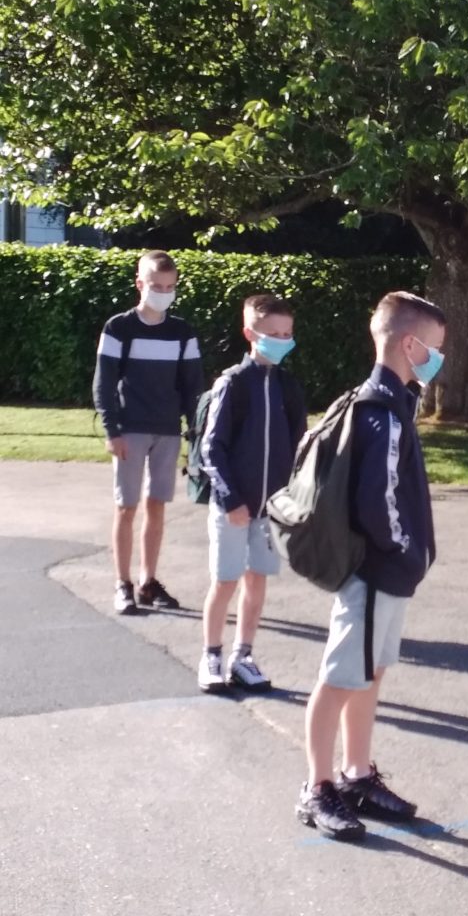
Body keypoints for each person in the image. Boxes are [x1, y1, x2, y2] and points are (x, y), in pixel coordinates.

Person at [295, 290, 446, 842]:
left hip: (388, 576)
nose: (438, 359)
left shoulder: (394, 402)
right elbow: (377, 503)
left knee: (369, 674)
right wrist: (404, 549)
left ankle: (356, 774)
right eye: (434, 348)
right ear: (409, 344)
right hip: (375, 574)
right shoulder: (382, 412)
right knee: (339, 679)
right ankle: (317, 788)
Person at [198, 294, 307, 694]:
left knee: (257, 581)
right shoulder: (233, 384)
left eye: (287, 333)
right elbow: (212, 448)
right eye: (273, 333)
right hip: (233, 508)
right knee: (225, 582)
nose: (282, 340)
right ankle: (211, 655)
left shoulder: (287, 387)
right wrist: (231, 500)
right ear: (250, 334)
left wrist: (292, 498)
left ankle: (242, 656)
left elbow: (299, 447)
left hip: (270, 510)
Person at [93, 250, 204, 615]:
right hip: (129, 430)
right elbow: (103, 384)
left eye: (170, 287)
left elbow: (192, 387)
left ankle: (148, 581)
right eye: (157, 286)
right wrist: (111, 430)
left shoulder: (182, 332)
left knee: (157, 505)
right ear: (140, 284)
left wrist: (195, 433)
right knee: (126, 506)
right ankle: (122, 583)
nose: (164, 293)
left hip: (168, 431)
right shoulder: (118, 328)